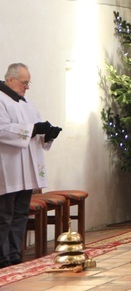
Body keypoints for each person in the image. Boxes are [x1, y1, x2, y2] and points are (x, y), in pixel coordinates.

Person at [0, 63, 61, 268]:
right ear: (10, 80)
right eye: (24, 82)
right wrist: (32, 129)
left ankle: (15, 254)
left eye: (28, 83)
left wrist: (47, 133)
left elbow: (36, 127)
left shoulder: (26, 102)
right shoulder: (0, 100)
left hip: (26, 170)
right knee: (4, 215)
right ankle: (2, 256)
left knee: (20, 214)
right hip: (8, 169)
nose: (27, 87)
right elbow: (2, 130)